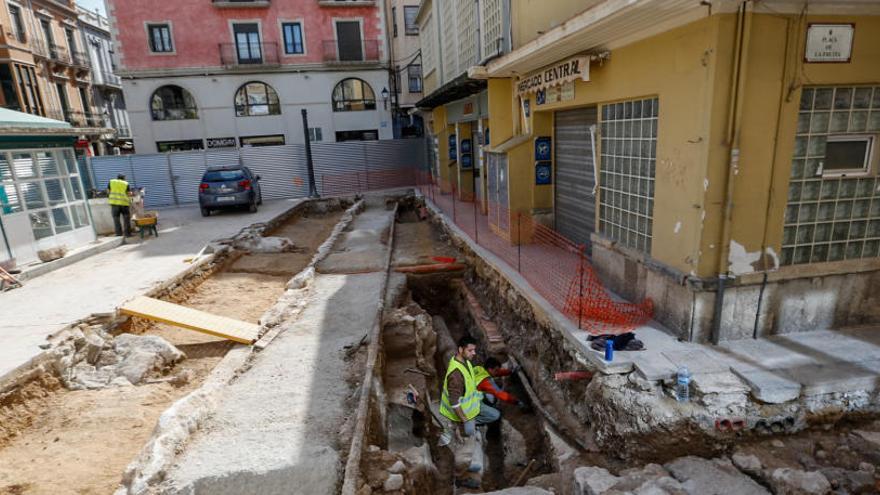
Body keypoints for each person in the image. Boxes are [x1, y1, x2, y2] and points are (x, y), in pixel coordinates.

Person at [440, 336, 500, 440]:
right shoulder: (456, 375)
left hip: (473, 403)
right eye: (470, 350)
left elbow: (469, 384)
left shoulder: (466, 361)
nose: (474, 353)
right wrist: (465, 420)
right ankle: (460, 425)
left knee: (495, 414)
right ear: (460, 349)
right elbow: (454, 403)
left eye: (474, 350)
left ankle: (472, 423)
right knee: (470, 433)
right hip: (464, 412)